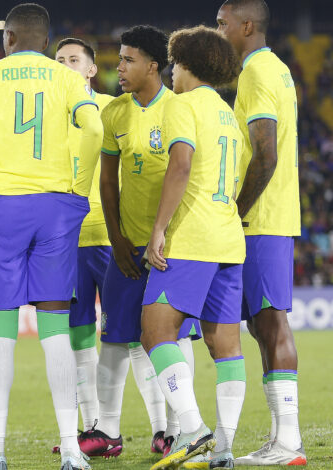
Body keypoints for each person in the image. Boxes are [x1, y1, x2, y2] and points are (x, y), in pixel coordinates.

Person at [0, 4, 103, 469]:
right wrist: (78, 187)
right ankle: (72, 450)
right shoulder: (66, 78)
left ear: (8, 39)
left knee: (0, 331)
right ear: (46, 42)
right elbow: (94, 127)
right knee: (55, 328)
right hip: (55, 205)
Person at [91, 25, 203, 460]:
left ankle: (177, 431)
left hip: (173, 248)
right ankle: (107, 430)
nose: (118, 67)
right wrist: (116, 237)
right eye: (119, 59)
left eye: (128, 60)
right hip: (128, 246)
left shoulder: (179, 108)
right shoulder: (115, 113)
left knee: (174, 338)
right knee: (114, 338)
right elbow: (107, 181)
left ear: (153, 66)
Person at [140, 26, 245, 470]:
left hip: (193, 238)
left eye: (174, 63)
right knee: (226, 347)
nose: (170, 71)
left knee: (154, 332)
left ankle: (191, 426)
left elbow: (180, 165)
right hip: (228, 240)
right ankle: (223, 449)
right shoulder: (228, 114)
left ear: (187, 64)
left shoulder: (182, 105)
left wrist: (159, 229)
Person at [217, 1, 306, 465]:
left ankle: (289, 441)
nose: (218, 31)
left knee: (271, 322)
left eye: (223, 24)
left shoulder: (255, 72)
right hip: (272, 215)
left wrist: (235, 211)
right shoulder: (276, 69)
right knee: (261, 324)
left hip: (262, 219)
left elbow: (265, 153)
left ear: (247, 26)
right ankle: (280, 437)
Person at [53, 35, 113, 445]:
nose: (65, 66)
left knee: (128, 333)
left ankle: (165, 428)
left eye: (73, 60)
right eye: (59, 60)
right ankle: (92, 426)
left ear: (91, 69)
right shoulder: (47, 115)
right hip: (66, 240)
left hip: (111, 235)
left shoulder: (113, 108)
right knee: (78, 334)